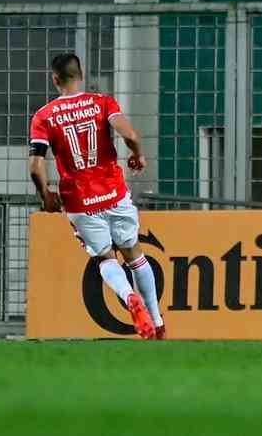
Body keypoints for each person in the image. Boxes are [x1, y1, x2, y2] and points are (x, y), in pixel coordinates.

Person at [28, 53, 165, 340]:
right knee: (134, 253)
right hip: (114, 193)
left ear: (55, 79)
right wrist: (137, 153)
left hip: (79, 200)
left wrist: (46, 196)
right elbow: (129, 134)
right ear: (80, 74)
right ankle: (157, 321)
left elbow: (35, 165)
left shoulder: (44, 116)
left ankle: (129, 297)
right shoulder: (102, 102)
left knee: (104, 258)